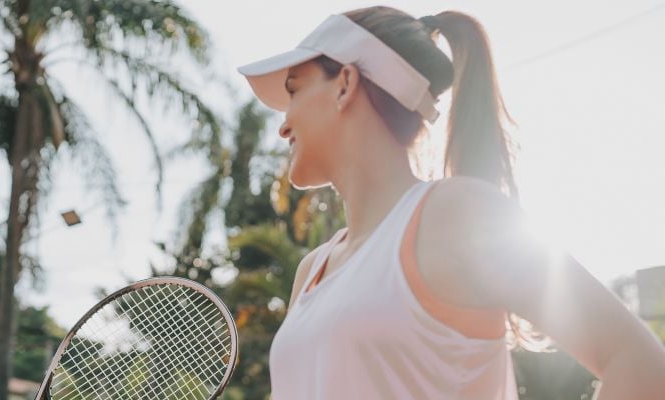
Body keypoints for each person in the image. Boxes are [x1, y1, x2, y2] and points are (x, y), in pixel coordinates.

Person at [237, 6, 665, 399]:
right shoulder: (312, 271)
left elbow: (641, 365)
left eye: (294, 91)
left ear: (345, 83)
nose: (283, 126)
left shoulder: (456, 215)